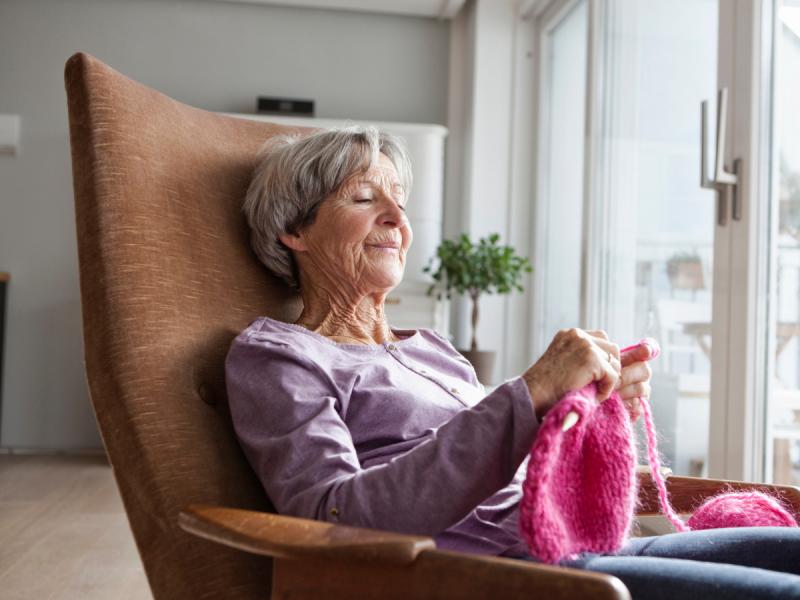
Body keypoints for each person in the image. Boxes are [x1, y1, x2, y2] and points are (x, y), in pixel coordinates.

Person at [225, 126, 800, 599]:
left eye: (399, 200)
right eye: (364, 198)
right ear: (293, 230)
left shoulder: (430, 347)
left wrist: (591, 408)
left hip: (573, 548)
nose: (398, 219)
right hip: (499, 577)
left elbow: (516, 458)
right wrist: (529, 392)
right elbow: (334, 516)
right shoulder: (279, 356)